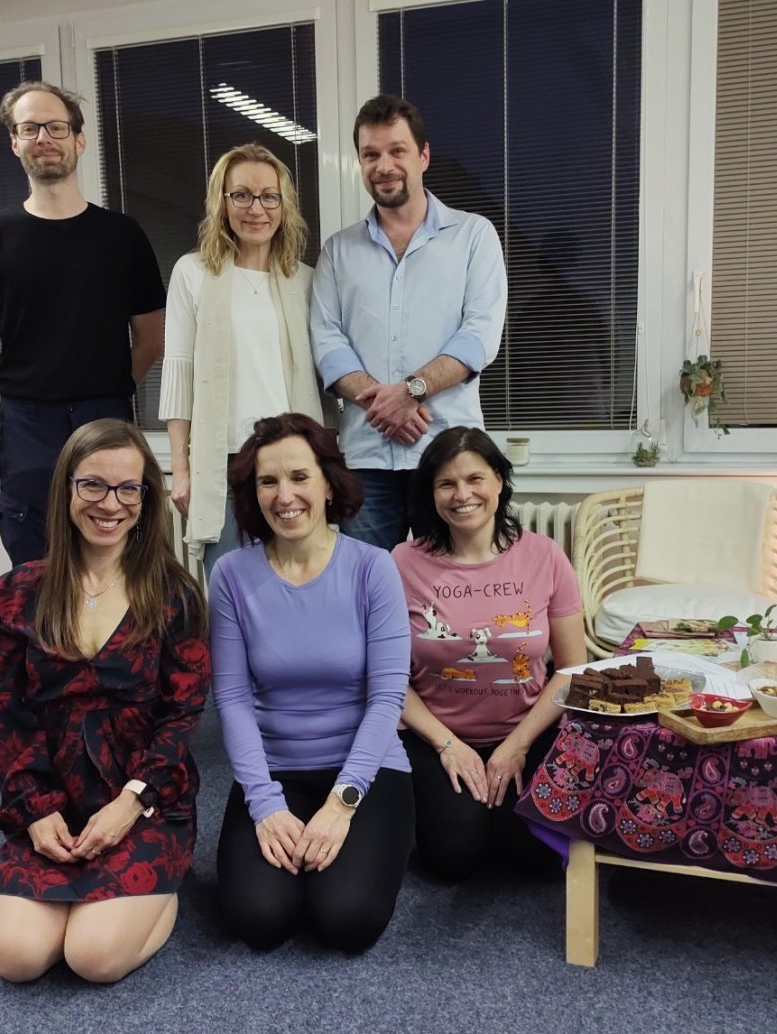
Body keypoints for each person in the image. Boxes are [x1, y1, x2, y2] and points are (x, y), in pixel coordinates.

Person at [0, 418, 209, 983]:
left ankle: (165, 887)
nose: (111, 503)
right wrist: (35, 809)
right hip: (52, 794)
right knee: (17, 958)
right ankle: (99, 896)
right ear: (66, 488)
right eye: (93, 485)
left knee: (93, 959)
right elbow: (4, 709)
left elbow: (182, 713)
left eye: (129, 488)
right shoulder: (15, 593)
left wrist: (132, 802)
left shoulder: (174, 594)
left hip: (144, 797)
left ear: (146, 498)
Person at [209, 413, 414, 952]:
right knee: (258, 918)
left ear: (328, 483)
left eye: (299, 476)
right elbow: (231, 699)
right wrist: (264, 804)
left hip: (366, 769)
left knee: (346, 919)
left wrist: (341, 806)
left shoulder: (373, 568)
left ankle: (371, 846)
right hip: (275, 769)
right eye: (268, 481)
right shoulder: (230, 575)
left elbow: (388, 697)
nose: (284, 496)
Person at [0, 80, 166, 567]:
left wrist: (108, 389)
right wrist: (26, 387)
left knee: (115, 543)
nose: (44, 138)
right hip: (27, 419)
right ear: (15, 142)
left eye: (55, 127)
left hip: (106, 411)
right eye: (30, 129)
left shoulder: (122, 235)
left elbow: (151, 338)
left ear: (79, 139)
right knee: (33, 551)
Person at [310, 94, 507, 549]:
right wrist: (386, 406)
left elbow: (479, 335)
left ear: (423, 156)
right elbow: (327, 341)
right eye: (370, 154)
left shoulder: (473, 236)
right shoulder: (338, 251)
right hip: (367, 459)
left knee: (453, 583)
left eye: (397, 150)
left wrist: (410, 392)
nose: (384, 166)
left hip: (449, 456)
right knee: (369, 585)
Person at [391, 427, 586, 880]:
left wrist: (517, 745)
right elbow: (388, 678)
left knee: (531, 853)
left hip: (528, 728)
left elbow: (573, 669)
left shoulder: (545, 556)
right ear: (431, 493)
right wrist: (448, 745)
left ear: (499, 480)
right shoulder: (401, 562)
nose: (462, 495)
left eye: (475, 478)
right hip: (433, 734)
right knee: (453, 854)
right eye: (446, 483)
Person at [159, 144, 323, 579]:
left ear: (284, 205)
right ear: (222, 202)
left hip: (291, 460)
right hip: (224, 464)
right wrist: (181, 469)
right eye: (242, 195)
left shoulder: (306, 281)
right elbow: (179, 373)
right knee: (229, 590)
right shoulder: (192, 273)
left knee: (296, 583)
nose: (256, 209)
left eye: (269, 196)